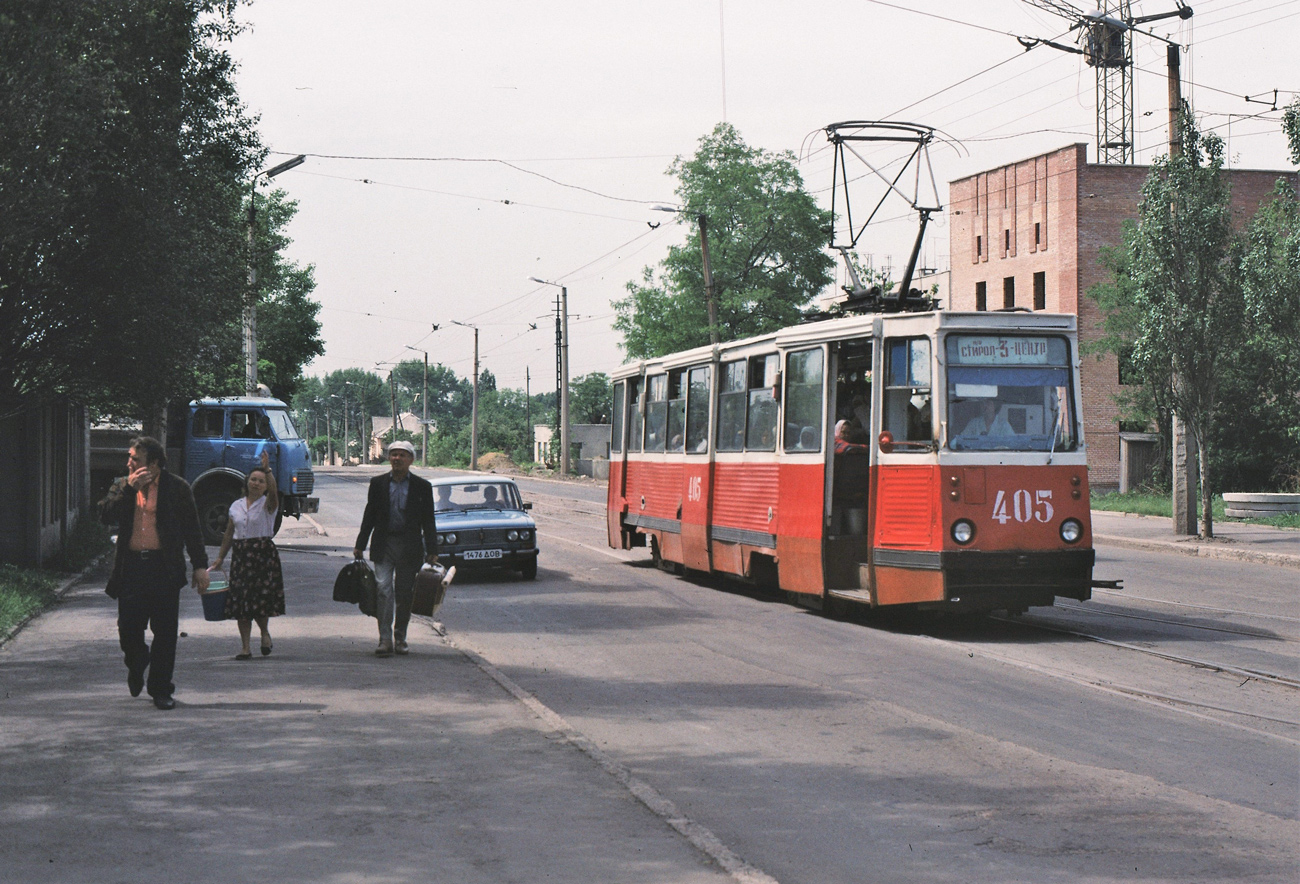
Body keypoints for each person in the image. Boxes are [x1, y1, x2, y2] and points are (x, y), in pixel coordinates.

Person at [99, 436, 209, 710]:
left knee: (165, 632)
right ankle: (137, 663)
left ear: (155, 464)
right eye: (130, 458)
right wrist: (128, 490)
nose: (129, 463)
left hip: (164, 568)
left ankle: (161, 689)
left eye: (135, 459)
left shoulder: (178, 488)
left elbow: (193, 530)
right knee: (128, 628)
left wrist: (200, 566)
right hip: (132, 568)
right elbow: (104, 515)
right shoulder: (123, 485)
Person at [353, 440, 438, 657]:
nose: (397, 459)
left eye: (402, 455)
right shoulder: (378, 483)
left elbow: (428, 520)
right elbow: (369, 515)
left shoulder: (422, 487)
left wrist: (432, 549)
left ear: (411, 460)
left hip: (409, 547)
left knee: (404, 593)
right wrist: (360, 544)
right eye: (393, 455)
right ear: (388, 458)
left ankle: (400, 637)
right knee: (383, 589)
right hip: (384, 544)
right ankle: (384, 640)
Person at [210, 451, 284, 660]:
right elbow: (229, 533)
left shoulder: (269, 505)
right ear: (247, 482)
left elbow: (274, 493)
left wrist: (267, 468)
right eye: (253, 479)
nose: (257, 484)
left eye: (261, 481)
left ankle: (264, 633)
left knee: (259, 601)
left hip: (262, 554)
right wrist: (221, 557)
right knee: (241, 602)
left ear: (265, 485)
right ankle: (245, 647)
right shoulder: (236, 506)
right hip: (242, 556)